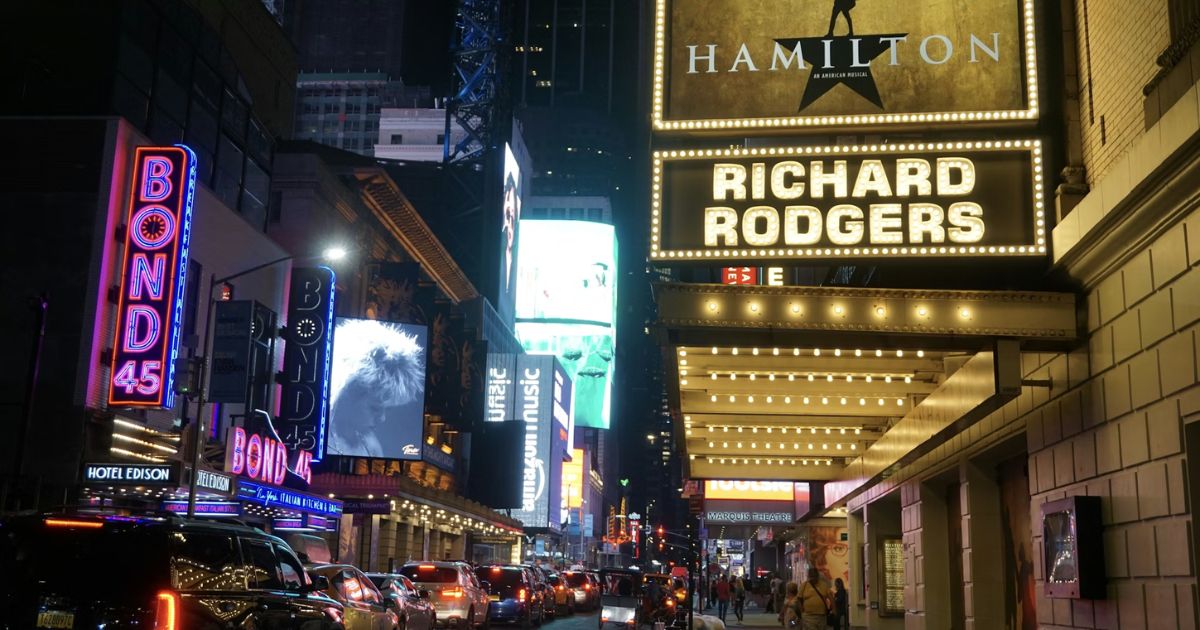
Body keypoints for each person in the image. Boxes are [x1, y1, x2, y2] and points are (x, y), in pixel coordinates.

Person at [327, 319, 426, 457]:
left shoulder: (371, 446)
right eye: (374, 408)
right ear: (346, 393)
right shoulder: (318, 436)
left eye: (387, 409)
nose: (382, 418)